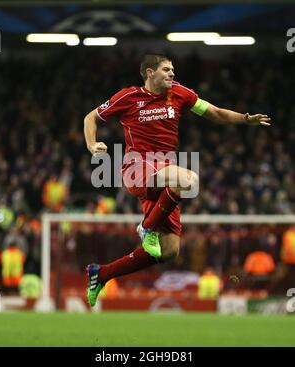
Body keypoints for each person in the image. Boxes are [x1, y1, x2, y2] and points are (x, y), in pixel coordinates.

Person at [83, 53, 271, 307]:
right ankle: (147, 227)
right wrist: (92, 144)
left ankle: (102, 273)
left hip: (163, 174)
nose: (172, 73)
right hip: (137, 167)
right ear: (150, 73)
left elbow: (213, 112)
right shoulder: (128, 96)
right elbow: (90, 117)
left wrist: (244, 119)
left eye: (173, 70)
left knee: (168, 251)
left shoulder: (180, 93)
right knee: (188, 179)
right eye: (166, 69)